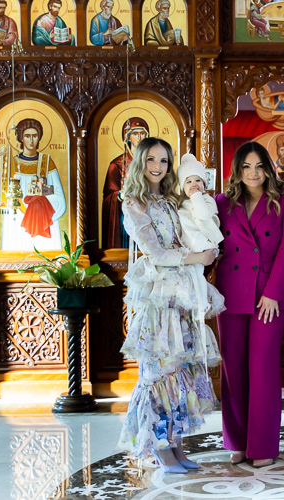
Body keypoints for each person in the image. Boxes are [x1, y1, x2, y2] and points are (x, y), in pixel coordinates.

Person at [117, 137, 223, 473]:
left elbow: (187, 234)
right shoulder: (133, 203)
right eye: (151, 160)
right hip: (159, 300)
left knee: (180, 372)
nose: (157, 167)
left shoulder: (169, 200)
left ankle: (177, 447)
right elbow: (157, 254)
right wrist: (198, 257)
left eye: (163, 161)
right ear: (140, 162)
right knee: (158, 373)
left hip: (183, 296)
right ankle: (161, 450)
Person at [215, 142, 284, 467]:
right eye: (246, 167)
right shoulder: (221, 203)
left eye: (259, 166)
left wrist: (273, 292)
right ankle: (237, 442)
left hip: (269, 296)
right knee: (233, 369)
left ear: (268, 169)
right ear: (237, 170)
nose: (253, 173)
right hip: (230, 292)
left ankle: (262, 446)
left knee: (263, 369)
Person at [0, 118, 66, 250]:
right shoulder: (12, 163)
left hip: (41, 217)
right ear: (21, 138)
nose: (31, 140)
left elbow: (59, 196)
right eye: (27, 136)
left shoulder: (46, 162)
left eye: (34, 136)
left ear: (39, 138)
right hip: (17, 219)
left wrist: (40, 201)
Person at [102, 117, 149, 249]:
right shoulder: (116, 165)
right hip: (125, 216)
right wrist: (120, 195)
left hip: (148, 213)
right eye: (135, 133)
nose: (139, 137)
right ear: (127, 137)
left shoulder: (152, 163)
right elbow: (109, 196)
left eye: (142, 133)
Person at [177, 152, 224, 256]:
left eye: (198, 180)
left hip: (206, 245)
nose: (194, 184)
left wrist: (196, 196)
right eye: (188, 182)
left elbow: (204, 214)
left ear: (204, 184)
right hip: (188, 248)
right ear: (183, 187)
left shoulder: (207, 200)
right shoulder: (181, 203)